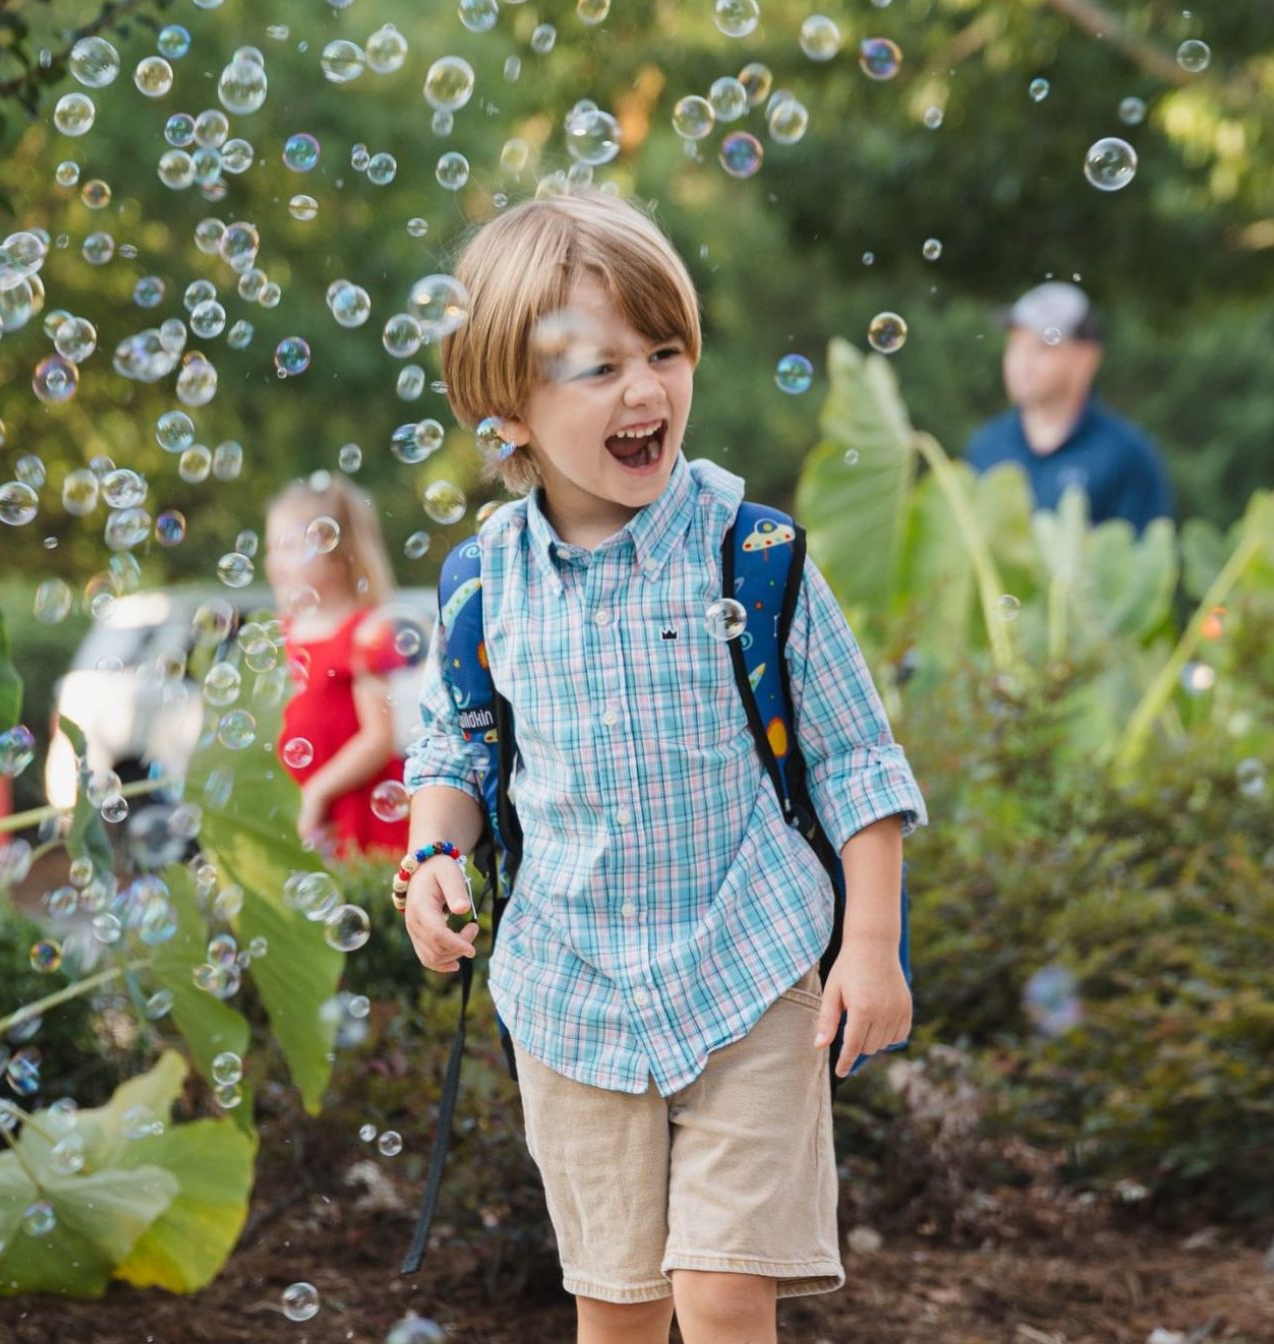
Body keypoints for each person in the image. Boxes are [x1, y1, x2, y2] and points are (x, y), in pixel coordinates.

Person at [400, 189, 929, 1344]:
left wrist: (872, 946)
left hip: (748, 968)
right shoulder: (485, 585)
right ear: (507, 416)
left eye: (665, 350)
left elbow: (853, 759)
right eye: (596, 369)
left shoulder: (753, 556)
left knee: (725, 1289)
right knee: (619, 1306)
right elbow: (460, 745)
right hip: (572, 990)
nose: (645, 392)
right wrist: (435, 854)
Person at [263, 472, 409, 859]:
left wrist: (319, 791)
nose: (275, 560)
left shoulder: (365, 632)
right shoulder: (284, 633)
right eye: (272, 547)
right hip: (301, 809)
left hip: (355, 808)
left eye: (291, 545)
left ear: (340, 551)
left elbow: (379, 738)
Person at [965, 281, 1174, 532]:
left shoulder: (1126, 456)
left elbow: (1146, 563)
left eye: (1042, 347)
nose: (1022, 362)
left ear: (1086, 358)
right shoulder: (985, 446)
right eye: (1016, 344)